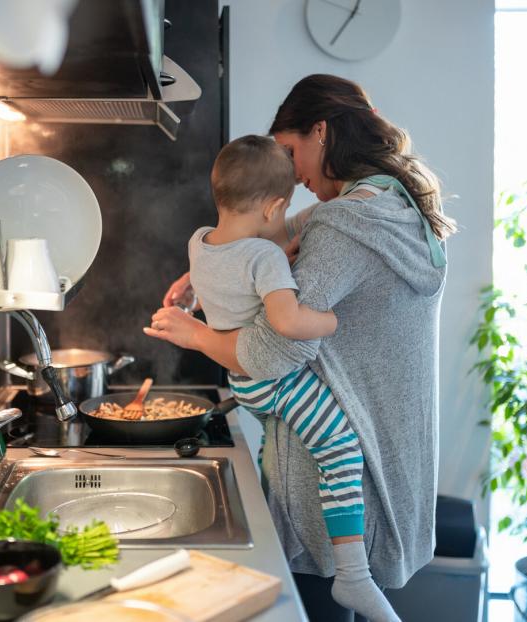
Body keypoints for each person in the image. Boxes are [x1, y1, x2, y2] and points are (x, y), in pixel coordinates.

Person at [145, 74, 455, 622]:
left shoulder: (345, 224)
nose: (291, 176)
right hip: (391, 460)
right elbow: (276, 231)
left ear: (322, 130)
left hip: (330, 486)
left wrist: (194, 333)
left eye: (290, 152)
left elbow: (266, 355)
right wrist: (206, 268)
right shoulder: (392, 202)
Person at [182, 134, 398, 621]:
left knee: (274, 447)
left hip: (244, 382)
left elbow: (216, 282)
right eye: (283, 211)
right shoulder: (264, 259)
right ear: (274, 206)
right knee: (339, 448)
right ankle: (353, 576)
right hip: (276, 380)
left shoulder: (199, 242)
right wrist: (333, 321)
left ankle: (279, 538)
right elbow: (287, 322)